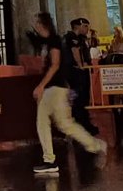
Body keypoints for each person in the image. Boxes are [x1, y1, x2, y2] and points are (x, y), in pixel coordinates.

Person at [31, 12, 106, 176]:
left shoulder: (54, 41)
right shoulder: (49, 42)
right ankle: (50, 159)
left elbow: (55, 64)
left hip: (55, 89)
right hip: (53, 88)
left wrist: (41, 85)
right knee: (49, 122)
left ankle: (94, 146)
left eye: (37, 23)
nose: (35, 26)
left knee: (61, 124)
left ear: (43, 24)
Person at [62, 18, 98, 136]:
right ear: (78, 26)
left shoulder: (82, 39)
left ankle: (84, 123)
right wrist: (81, 66)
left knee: (83, 99)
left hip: (82, 72)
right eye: (85, 26)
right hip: (75, 72)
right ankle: (79, 125)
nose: (87, 29)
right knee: (78, 99)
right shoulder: (71, 37)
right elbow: (75, 51)